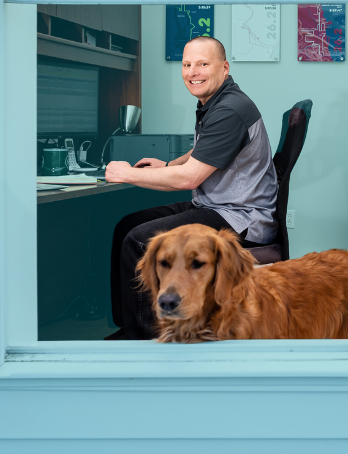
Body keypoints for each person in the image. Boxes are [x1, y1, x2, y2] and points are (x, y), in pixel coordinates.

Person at [106, 36, 278, 340]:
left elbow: (189, 180)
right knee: (126, 227)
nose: (192, 72)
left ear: (224, 67)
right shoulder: (217, 101)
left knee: (140, 242)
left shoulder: (229, 110)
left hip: (239, 216)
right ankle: (128, 327)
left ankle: (148, 339)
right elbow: (201, 153)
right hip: (217, 205)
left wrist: (127, 174)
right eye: (187, 64)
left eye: (202, 64)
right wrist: (169, 165)